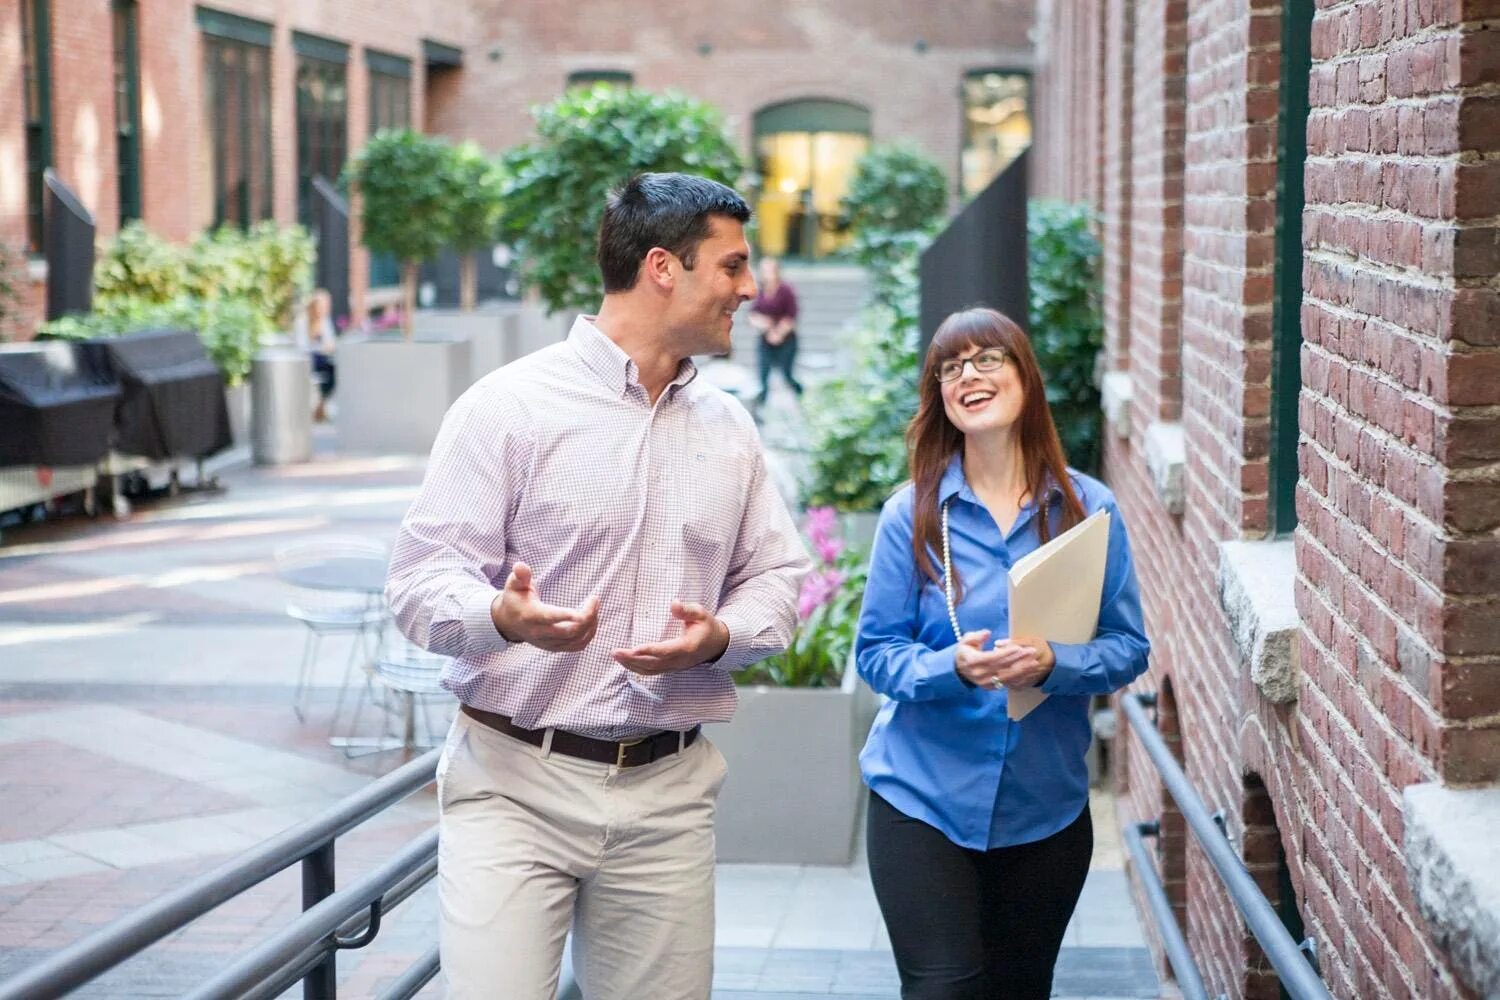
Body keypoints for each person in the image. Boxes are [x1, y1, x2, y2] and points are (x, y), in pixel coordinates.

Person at [385, 172, 811, 1000]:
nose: (749, 288)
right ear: (663, 267)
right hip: (513, 786)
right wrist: (498, 618)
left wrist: (720, 638)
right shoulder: (506, 408)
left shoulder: (729, 429)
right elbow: (418, 580)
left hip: (668, 796)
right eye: (730, 266)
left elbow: (778, 577)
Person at [855, 307, 1151, 1000]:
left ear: (1025, 380)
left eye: (989, 358)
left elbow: (1128, 648)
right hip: (922, 800)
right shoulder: (914, 514)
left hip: (1044, 811)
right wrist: (949, 668)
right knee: (946, 989)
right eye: (951, 367)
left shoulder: (1088, 510)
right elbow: (876, 654)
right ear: (941, 399)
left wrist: (1056, 663)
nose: (969, 375)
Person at [747, 256, 803, 410]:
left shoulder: (786, 290)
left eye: (770, 269)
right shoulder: (760, 291)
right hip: (765, 339)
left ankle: (801, 397)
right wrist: (764, 325)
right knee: (763, 376)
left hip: (786, 340)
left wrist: (778, 333)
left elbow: (791, 315)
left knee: (787, 375)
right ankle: (760, 410)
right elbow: (752, 314)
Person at [296, 288, 337, 422]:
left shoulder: (325, 321)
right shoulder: (302, 321)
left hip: (322, 361)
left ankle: (321, 405)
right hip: (305, 361)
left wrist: (322, 347)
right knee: (325, 368)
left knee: (335, 371)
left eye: (326, 306)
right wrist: (321, 347)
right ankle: (320, 409)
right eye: (321, 306)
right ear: (314, 306)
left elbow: (331, 343)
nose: (323, 309)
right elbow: (302, 347)